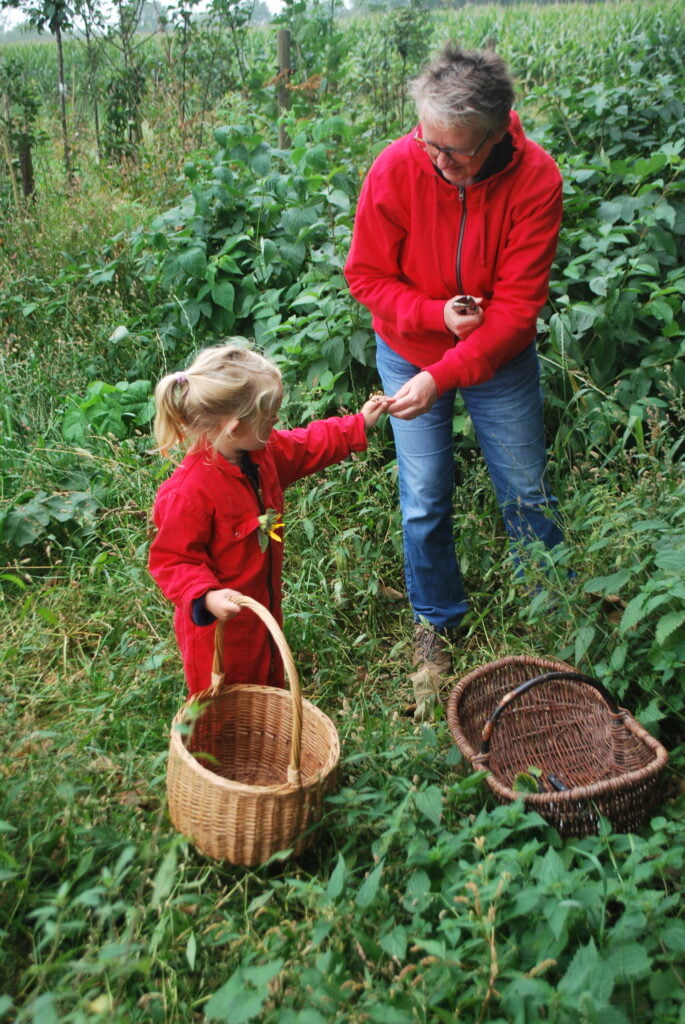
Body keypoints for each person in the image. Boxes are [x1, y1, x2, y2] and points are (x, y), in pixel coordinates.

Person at [344, 44, 565, 720]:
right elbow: (366, 277)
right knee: (423, 495)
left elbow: (516, 313)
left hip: (496, 358)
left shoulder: (535, 180)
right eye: (429, 143)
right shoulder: (396, 167)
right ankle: (436, 626)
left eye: (457, 153)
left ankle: (552, 627)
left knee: (525, 489)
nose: (439, 162)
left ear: (499, 132)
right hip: (408, 349)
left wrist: (443, 375)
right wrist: (432, 316)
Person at [148, 342, 390, 694]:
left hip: (262, 610)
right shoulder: (188, 494)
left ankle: (268, 740)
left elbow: (308, 445)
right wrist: (206, 597)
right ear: (234, 428)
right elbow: (174, 560)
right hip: (219, 636)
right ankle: (219, 748)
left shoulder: (262, 454)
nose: (276, 420)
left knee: (267, 685)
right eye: (270, 415)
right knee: (222, 699)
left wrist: (358, 424)